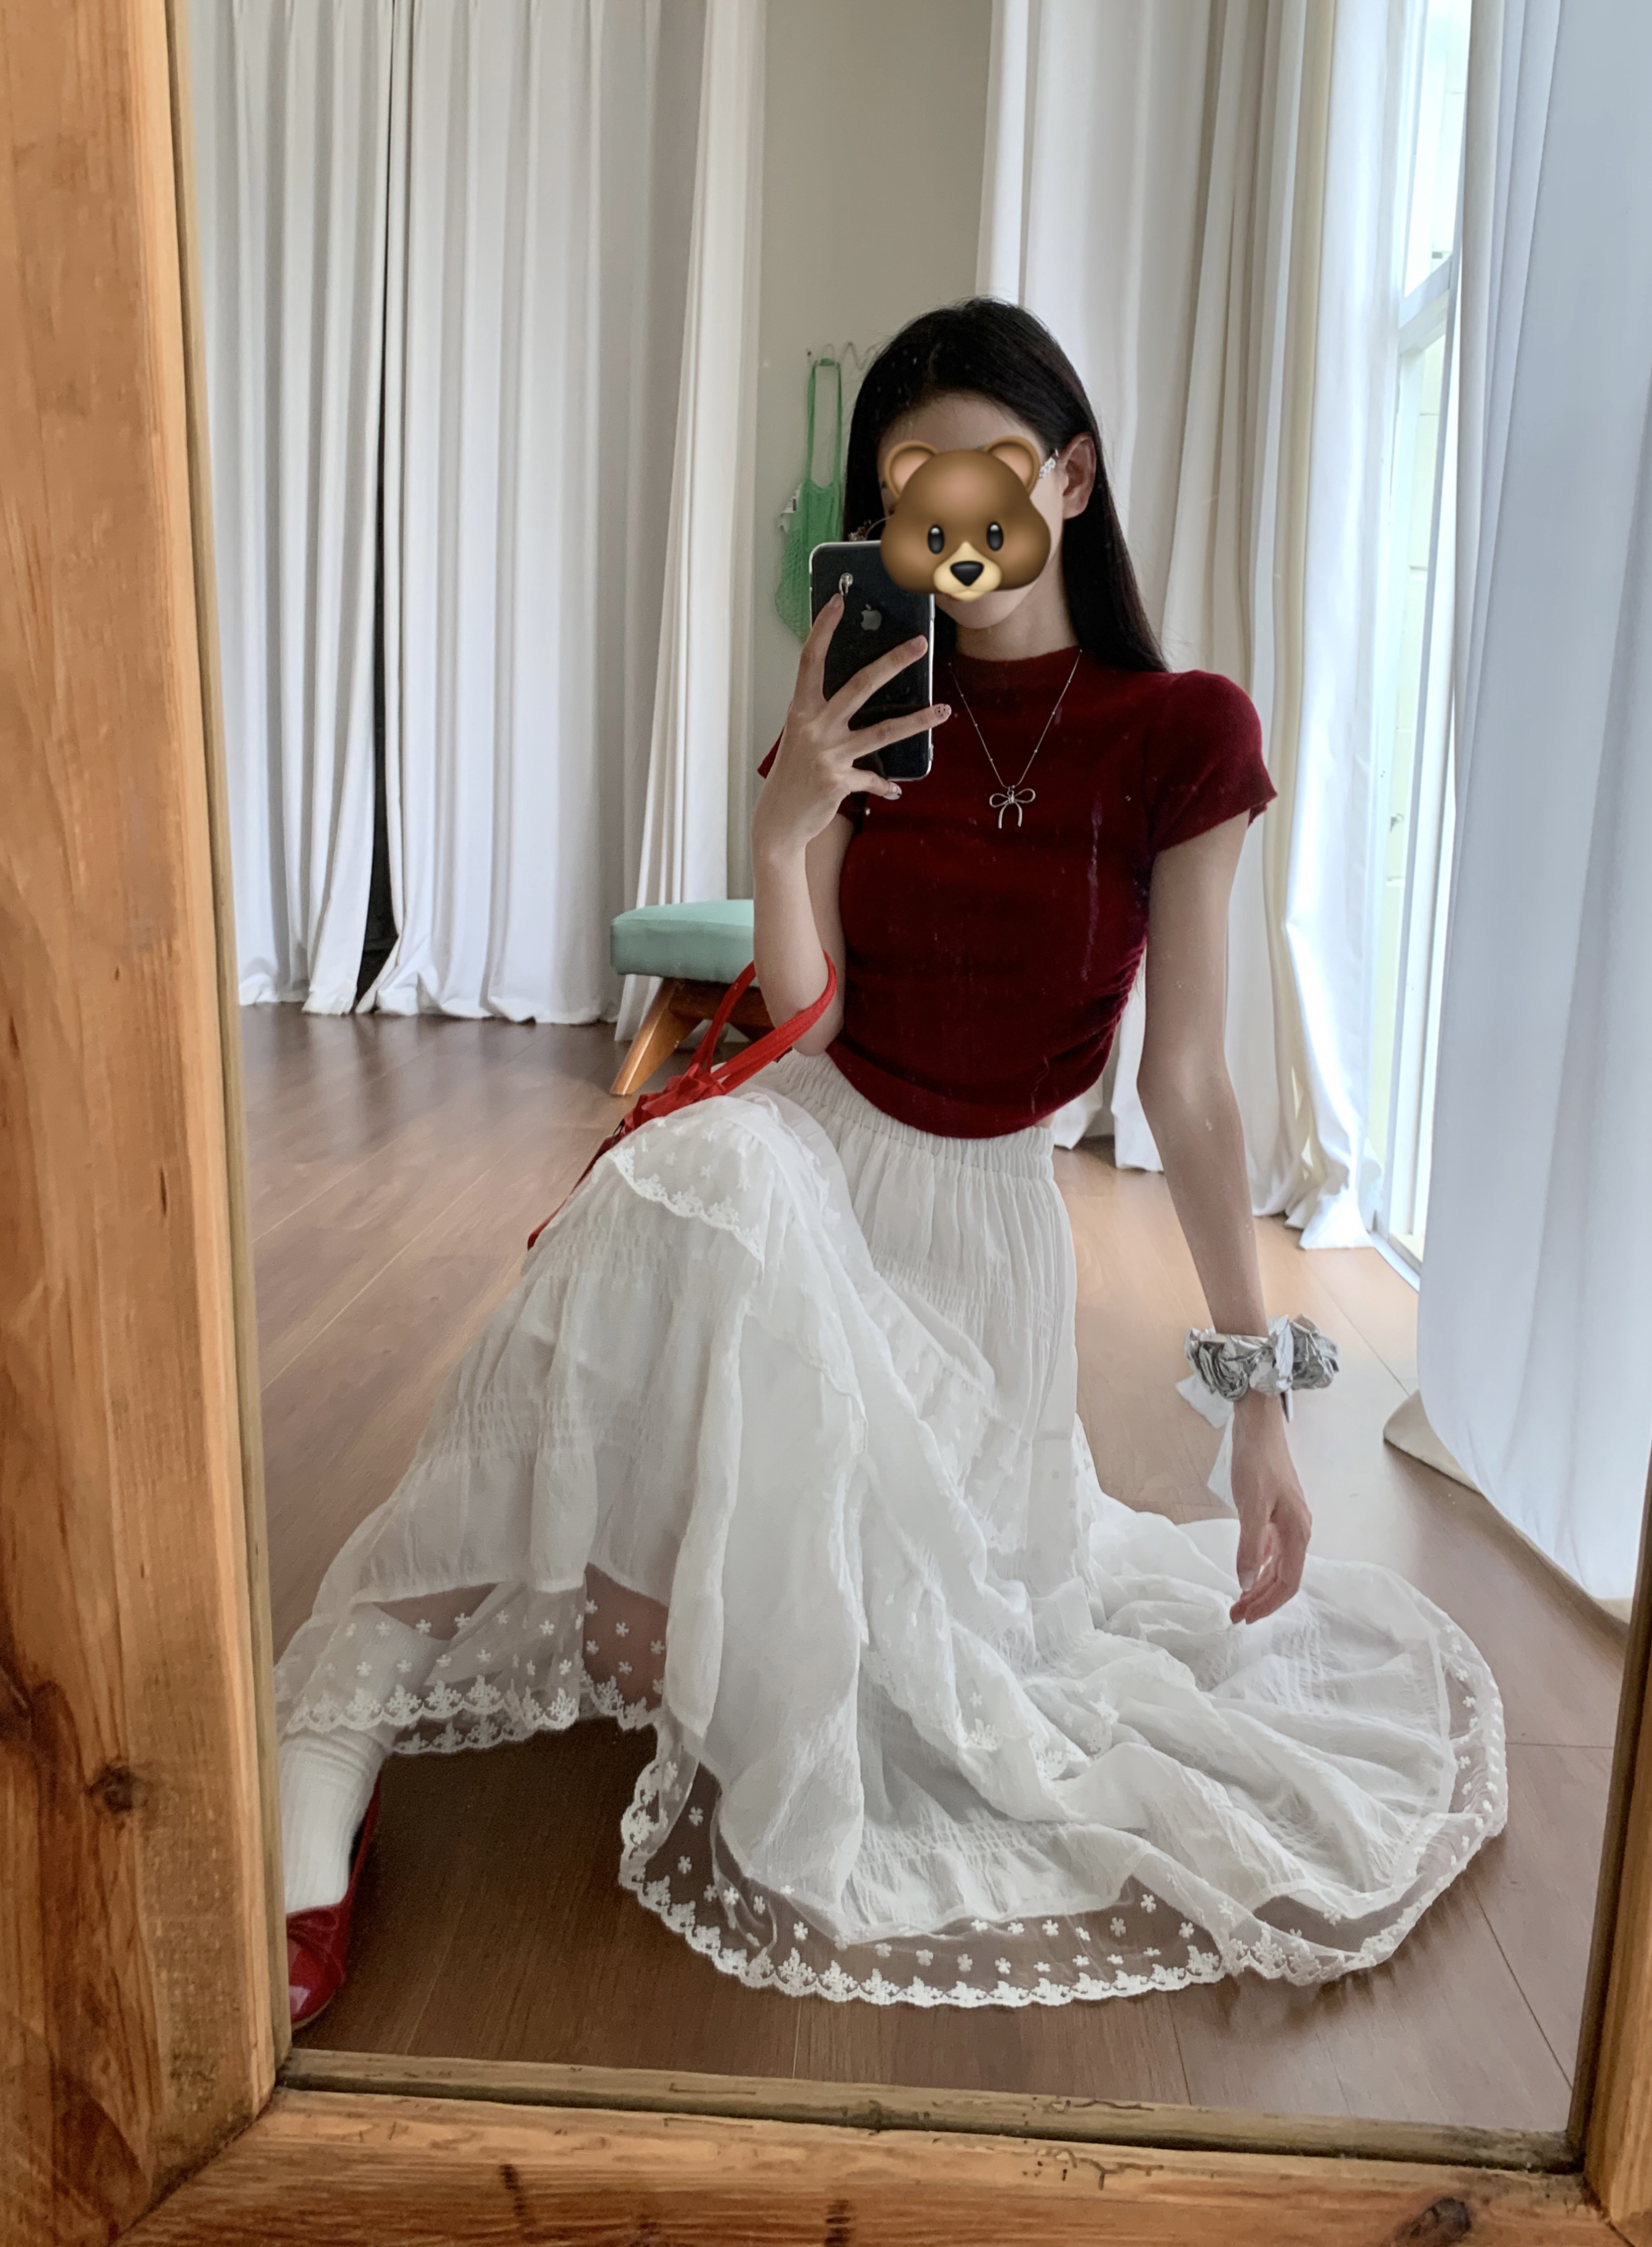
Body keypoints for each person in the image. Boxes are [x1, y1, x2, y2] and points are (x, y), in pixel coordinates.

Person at [277, 300, 1505, 2026]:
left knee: (864, 1671)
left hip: (979, 1255)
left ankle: (608, 1593)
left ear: (1069, 477)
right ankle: (339, 1708)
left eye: (991, 465)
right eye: (913, 479)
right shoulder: (870, 704)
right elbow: (811, 1022)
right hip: (810, 1168)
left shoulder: (1182, 733)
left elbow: (1194, 1088)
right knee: (706, 1168)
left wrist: (1259, 1401)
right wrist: (787, 822)